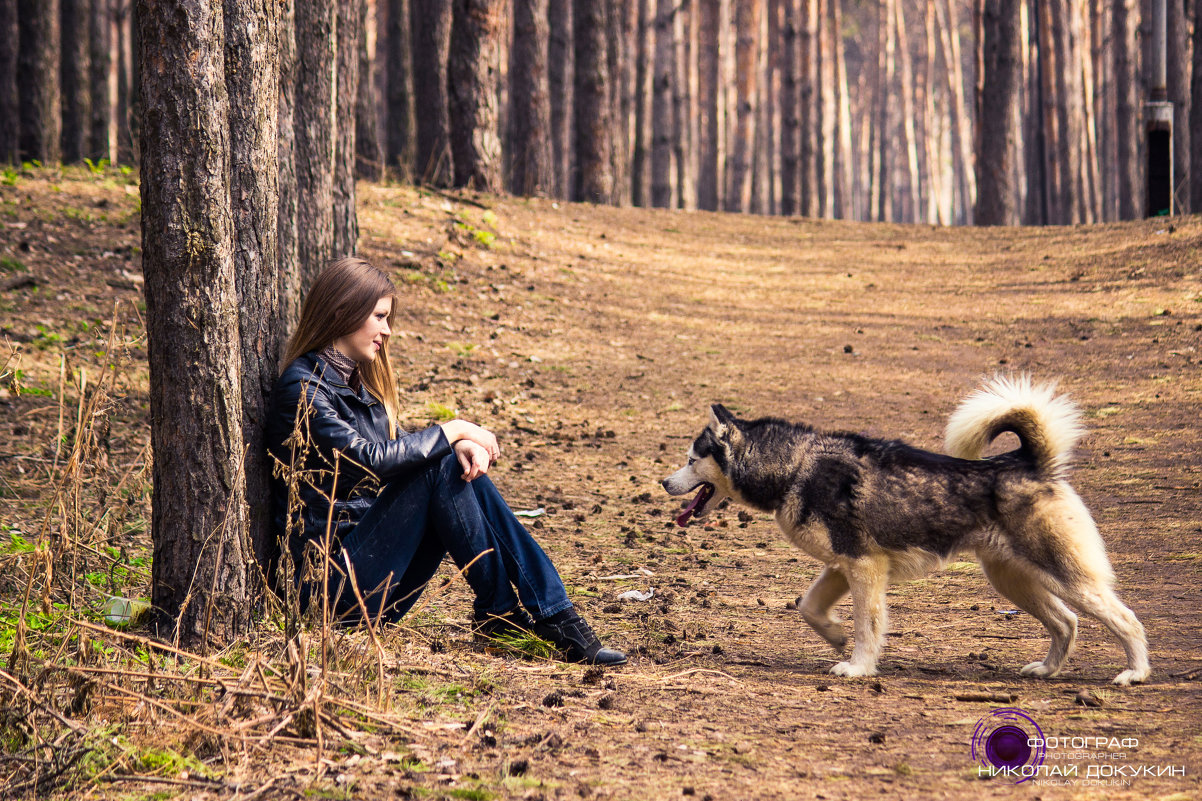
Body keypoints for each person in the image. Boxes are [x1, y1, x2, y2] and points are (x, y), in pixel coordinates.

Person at [266, 257, 625, 666]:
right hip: (324, 592)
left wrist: (452, 447)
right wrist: (453, 431)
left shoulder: (356, 389)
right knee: (441, 463)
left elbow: (403, 458)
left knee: (449, 464)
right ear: (343, 310)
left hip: (372, 576)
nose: (387, 330)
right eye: (379, 317)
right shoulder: (303, 386)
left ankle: (525, 613)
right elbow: (371, 460)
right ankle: (524, 613)